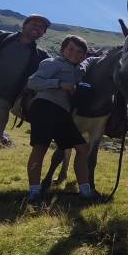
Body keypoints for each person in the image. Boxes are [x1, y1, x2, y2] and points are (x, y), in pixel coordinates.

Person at [25, 35, 93, 203]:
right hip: (45, 106)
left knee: (83, 149)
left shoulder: (78, 72)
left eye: (80, 52)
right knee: (41, 147)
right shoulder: (52, 63)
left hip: (62, 113)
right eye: (71, 49)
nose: (75, 54)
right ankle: (34, 192)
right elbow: (33, 82)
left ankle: (86, 192)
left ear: (83, 56)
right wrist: (59, 83)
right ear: (63, 50)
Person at [0, 14, 49, 150]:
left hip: (3, 102)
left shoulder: (41, 56)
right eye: (34, 24)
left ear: (43, 33)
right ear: (24, 25)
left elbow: (55, 68)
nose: (37, 27)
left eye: (42, 27)